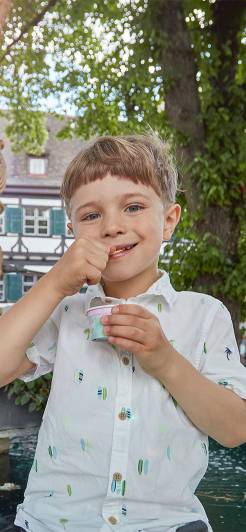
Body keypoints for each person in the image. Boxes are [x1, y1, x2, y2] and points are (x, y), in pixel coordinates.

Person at [0, 134, 246, 532]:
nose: (112, 226)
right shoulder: (65, 312)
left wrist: (166, 361)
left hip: (166, 524)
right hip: (50, 523)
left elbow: (235, 429)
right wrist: (55, 283)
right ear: (74, 230)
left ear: (168, 220)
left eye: (133, 207)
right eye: (91, 215)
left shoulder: (203, 315)